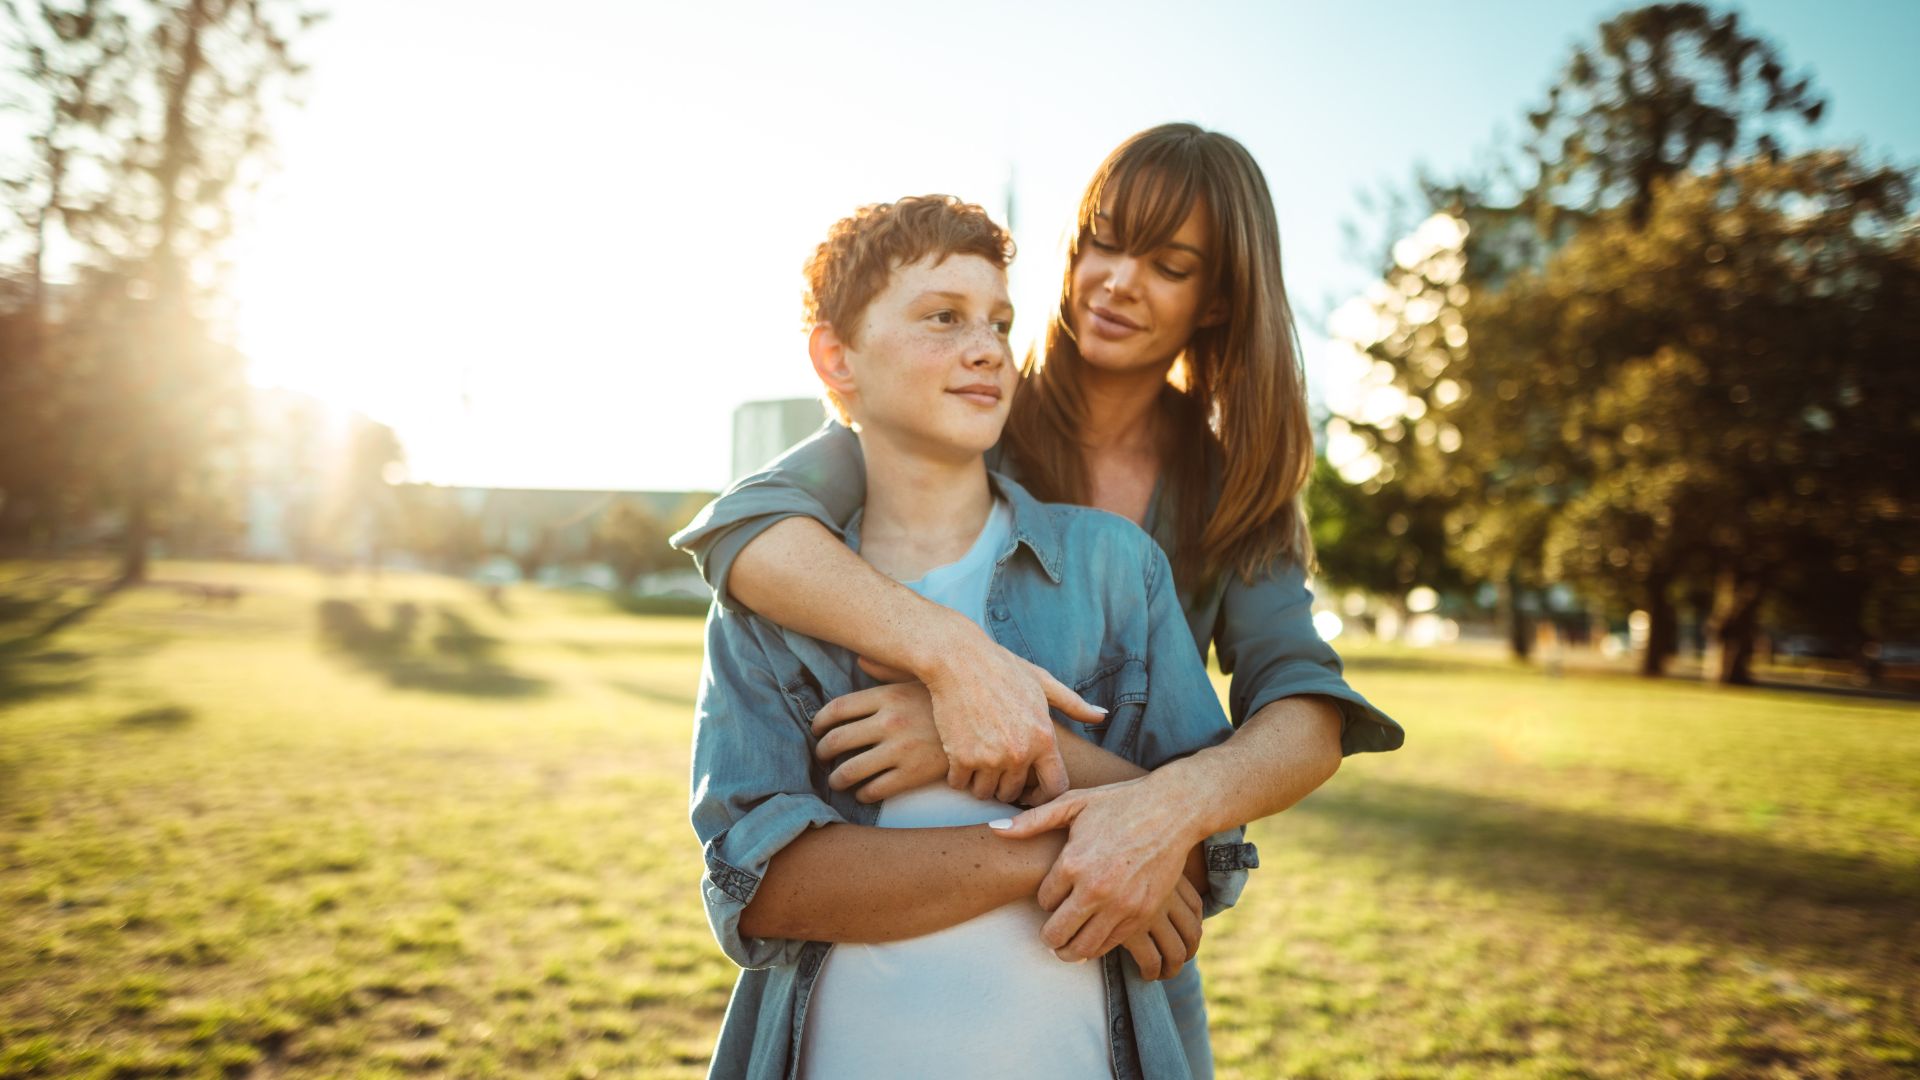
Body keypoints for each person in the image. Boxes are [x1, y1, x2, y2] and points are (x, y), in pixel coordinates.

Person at [674, 123, 1407, 1076]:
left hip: (1116, 909)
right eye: (1103, 240)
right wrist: (954, 660)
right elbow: (748, 531)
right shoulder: (964, 406)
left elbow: (1306, 714)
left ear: (1218, 299)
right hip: (885, 957)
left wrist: (1150, 805)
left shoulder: (1229, 485)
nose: (1115, 280)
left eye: (1168, 264)